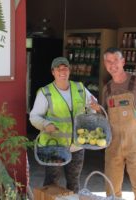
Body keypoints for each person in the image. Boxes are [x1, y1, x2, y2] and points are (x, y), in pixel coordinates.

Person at [29, 56, 98, 193]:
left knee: (74, 182)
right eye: (58, 69)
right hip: (55, 146)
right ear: (53, 72)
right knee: (52, 182)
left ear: (69, 71)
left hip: (77, 146)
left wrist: (94, 109)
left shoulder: (79, 88)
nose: (62, 71)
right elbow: (34, 116)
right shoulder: (46, 92)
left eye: (65, 68)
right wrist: (45, 124)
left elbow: (92, 106)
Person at [101, 47, 136, 200]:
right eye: (108, 61)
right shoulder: (107, 89)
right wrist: (95, 110)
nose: (112, 65)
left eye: (116, 60)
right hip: (113, 144)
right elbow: (104, 115)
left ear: (123, 62)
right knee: (111, 190)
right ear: (105, 64)